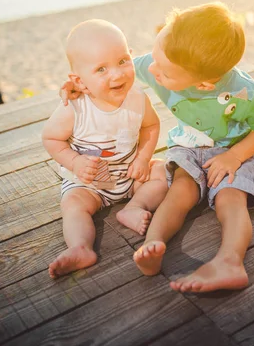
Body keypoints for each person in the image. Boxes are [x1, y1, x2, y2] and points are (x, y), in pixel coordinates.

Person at [60, 3, 254, 293]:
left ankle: (230, 261)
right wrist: (81, 87)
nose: (151, 70)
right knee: (179, 192)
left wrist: (235, 156)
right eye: (154, 57)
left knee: (230, 199)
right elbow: (115, 73)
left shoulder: (243, 92)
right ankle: (154, 243)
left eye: (162, 71)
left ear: (201, 84)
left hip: (237, 153)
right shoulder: (161, 62)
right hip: (190, 148)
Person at [42, 19, 167, 279]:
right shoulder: (76, 107)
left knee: (164, 171)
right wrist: (75, 162)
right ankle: (81, 247)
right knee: (73, 204)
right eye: (101, 69)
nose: (117, 74)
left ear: (131, 55)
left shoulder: (137, 98)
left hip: (130, 175)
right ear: (79, 80)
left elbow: (151, 126)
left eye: (122, 61)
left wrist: (144, 158)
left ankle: (134, 206)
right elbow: (52, 139)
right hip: (89, 184)